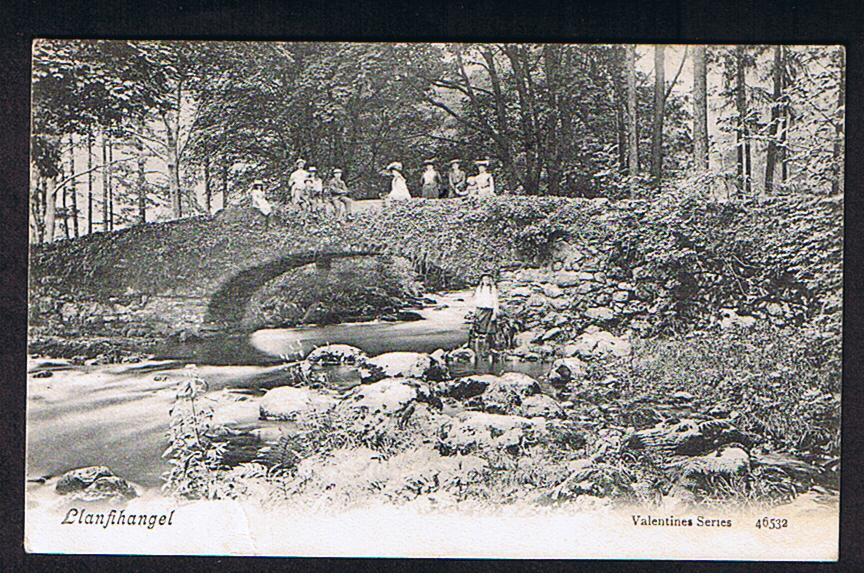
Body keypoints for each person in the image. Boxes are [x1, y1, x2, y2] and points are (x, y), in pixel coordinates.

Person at [471, 274, 500, 351]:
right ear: (482, 281)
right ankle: (479, 347)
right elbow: (476, 300)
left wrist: (495, 313)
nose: (486, 281)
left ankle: (490, 347)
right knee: (479, 329)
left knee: (489, 329)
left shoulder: (492, 289)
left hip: (489, 310)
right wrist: (474, 311)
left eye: (487, 279)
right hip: (480, 309)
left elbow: (495, 301)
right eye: (484, 280)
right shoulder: (479, 289)